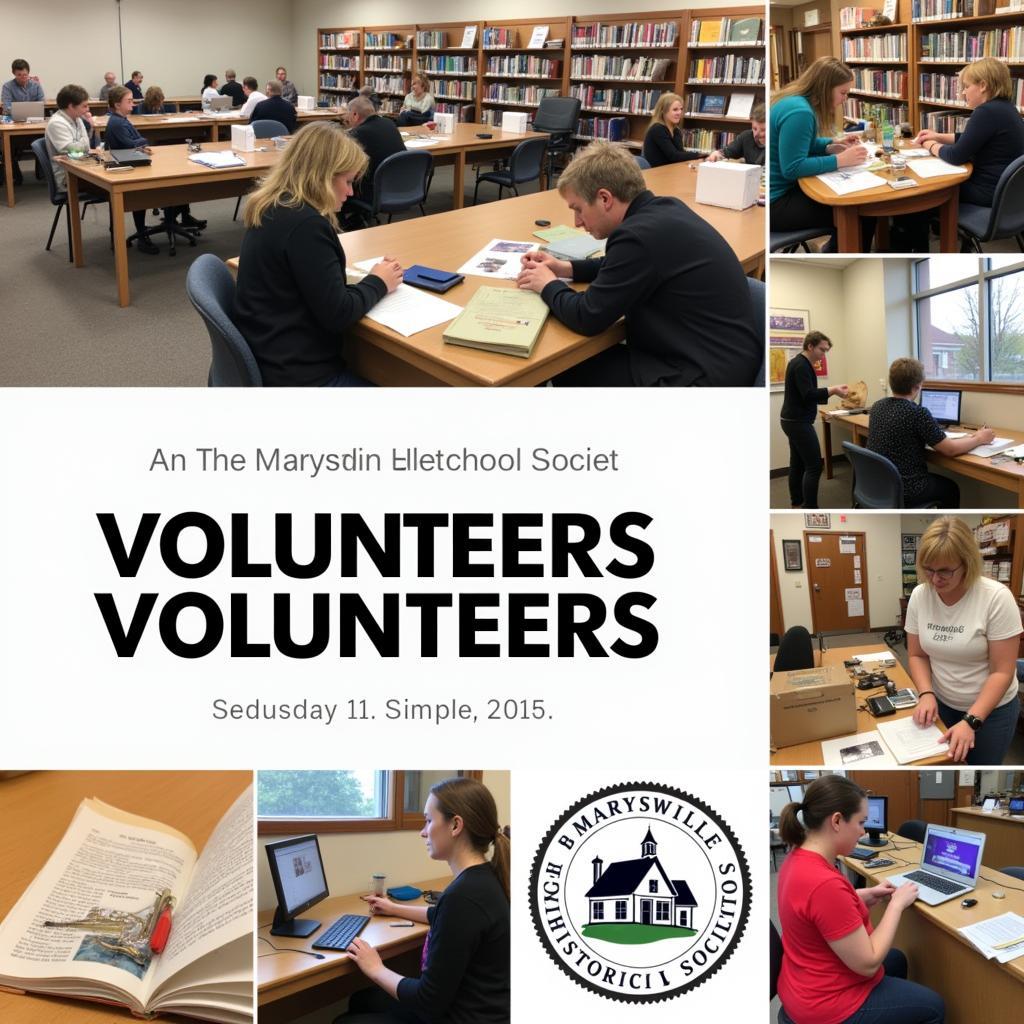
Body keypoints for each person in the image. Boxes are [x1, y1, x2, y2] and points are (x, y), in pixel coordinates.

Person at [516, 140, 761, 387]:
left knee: (567, 368)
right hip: (723, 358)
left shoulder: (636, 237)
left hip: (700, 379)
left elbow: (587, 316)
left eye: (578, 209)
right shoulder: (663, 209)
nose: (577, 221)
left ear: (604, 198)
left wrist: (547, 284)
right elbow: (625, 266)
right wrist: (566, 268)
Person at [233, 122, 403, 386]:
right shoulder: (305, 225)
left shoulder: (274, 204)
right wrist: (379, 281)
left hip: (270, 352)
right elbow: (338, 314)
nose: (351, 192)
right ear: (321, 175)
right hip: (301, 375)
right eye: (347, 181)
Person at [339, 776, 510, 1024]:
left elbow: (427, 999)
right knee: (362, 1000)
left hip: (458, 1015)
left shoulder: (463, 897)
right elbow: (442, 917)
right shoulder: (482, 879)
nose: (422, 832)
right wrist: (392, 907)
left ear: (455, 826)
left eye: (429, 821)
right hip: (471, 1005)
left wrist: (375, 967)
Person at [777, 775, 944, 1024]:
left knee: (896, 959)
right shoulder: (824, 883)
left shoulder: (798, 857)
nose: (864, 831)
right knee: (934, 1007)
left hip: (800, 982)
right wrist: (896, 905)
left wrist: (859, 896)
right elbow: (868, 963)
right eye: (860, 822)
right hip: (823, 1004)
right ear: (836, 821)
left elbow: (814, 910)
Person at [906, 515, 1022, 765]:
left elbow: (1002, 672)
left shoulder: (996, 598)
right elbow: (917, 654)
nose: (935, 579)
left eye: (945, 571)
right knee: (943, 763)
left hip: (992, 711)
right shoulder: (920, 595)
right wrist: (926, 693)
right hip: (942, 701)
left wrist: (971, 720)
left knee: (979, 767)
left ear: (967, 563)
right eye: (929, 569)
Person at [770, 57, 869, 252]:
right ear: (825, 88)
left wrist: (830, 145)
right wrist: (839, 160)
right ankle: (838, 252)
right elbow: (792, 168)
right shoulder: (801, 112)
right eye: (842, 92)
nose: (844, 99)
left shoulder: (796, 103)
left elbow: (799, 144)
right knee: (860, 212)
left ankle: (837, 249)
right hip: (778, 203)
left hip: (784, 193)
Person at [866, 358, 994, 508]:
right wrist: (979, 438)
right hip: (906, 488)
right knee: (951, 488)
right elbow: (950, 450)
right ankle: (944, 529)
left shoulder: (877, 406)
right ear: (917, 387)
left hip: (878, 482)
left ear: (891, 382)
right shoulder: (917, 413)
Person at [105, 86, 205, 251]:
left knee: (179, 171)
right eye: (128, 101)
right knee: (162, 183)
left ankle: (172, 218)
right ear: (117, 105)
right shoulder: (117, 123)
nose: (133, 105)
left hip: (135, 162)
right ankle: (144, 235)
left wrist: (140, 143)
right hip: (129, 169)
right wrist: (140, 144)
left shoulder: (122, 119)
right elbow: (134, 143)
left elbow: (138, 140)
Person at [779, 331, 849, 508]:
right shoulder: (801, 365)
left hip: (791, 420)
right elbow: (808, 395)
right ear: (810, 346)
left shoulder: (799, 362)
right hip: (797, 422)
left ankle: (797, 503)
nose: (823, 355)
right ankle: (809, 508)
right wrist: (833, 390)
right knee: (814, 466)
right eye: (822, 350)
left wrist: (831, 390)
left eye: (826, 351)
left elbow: (806, 395)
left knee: (797, 463)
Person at [343, 94, 405, 220]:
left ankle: (340, 225)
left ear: (355, 115)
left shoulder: (357, 134)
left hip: (375, 192)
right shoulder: (389, 123)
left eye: (347, 114)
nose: (346, 118)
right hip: (402, 187)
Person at [44, 84, 99, 193]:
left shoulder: (77, 118)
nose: (88, 109)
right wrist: (82, 147)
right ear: (71, 106)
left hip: (81, 167)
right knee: (113, 186)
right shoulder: (57, 123)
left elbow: (85, 146)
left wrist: (81, 146)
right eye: (84, 106)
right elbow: (70, 149)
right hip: (67, 176)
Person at [2, 59, 45, 185]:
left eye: (25, 75)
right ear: (14, 73)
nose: (22, 78)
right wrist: (20, 112)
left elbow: (42, 102)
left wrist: (31, 111)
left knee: (45, 140)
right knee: (7, 146)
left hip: (34, 123)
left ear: (28, 73)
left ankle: (41, 172)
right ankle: (16, 177)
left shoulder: (36, 85)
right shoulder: (7, 86)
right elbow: (6, 107)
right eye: (19, 75)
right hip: (15, 124)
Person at [641, 92, 699, 166]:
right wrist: (701, 156)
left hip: (671, 171)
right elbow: (674, 156)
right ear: (663, 111)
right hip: (657, 173)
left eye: (681, 109)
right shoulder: (657, 129)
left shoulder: (676, 130)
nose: (679, 112)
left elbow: (681, 154)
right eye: (675, 110)